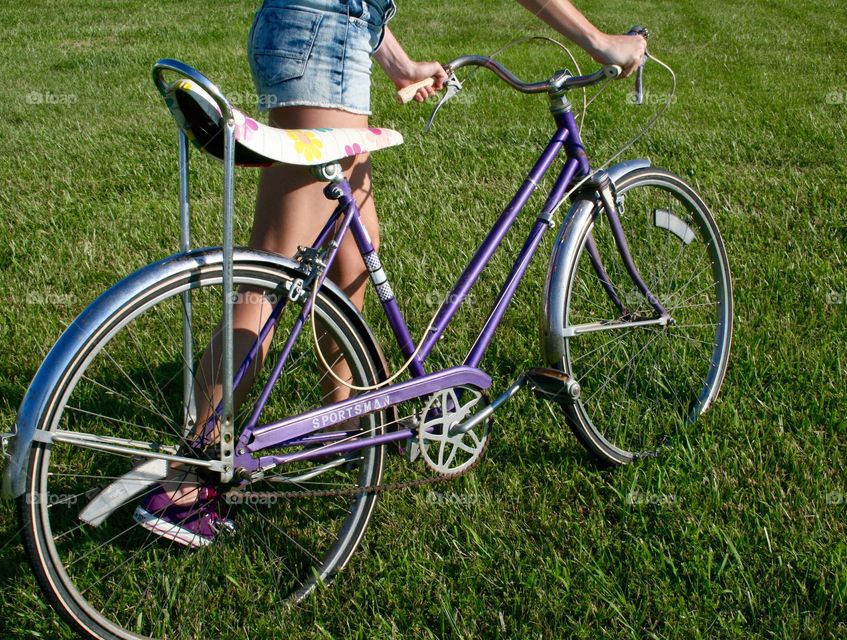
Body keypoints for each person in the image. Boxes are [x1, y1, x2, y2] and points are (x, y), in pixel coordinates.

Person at [134, 0, 647, 548]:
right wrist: (598, 41)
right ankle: (187, 483)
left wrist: (398, 63)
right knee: (274, 272)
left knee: (353, 251)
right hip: (321, 44)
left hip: (321, 34)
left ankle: (348, 426)